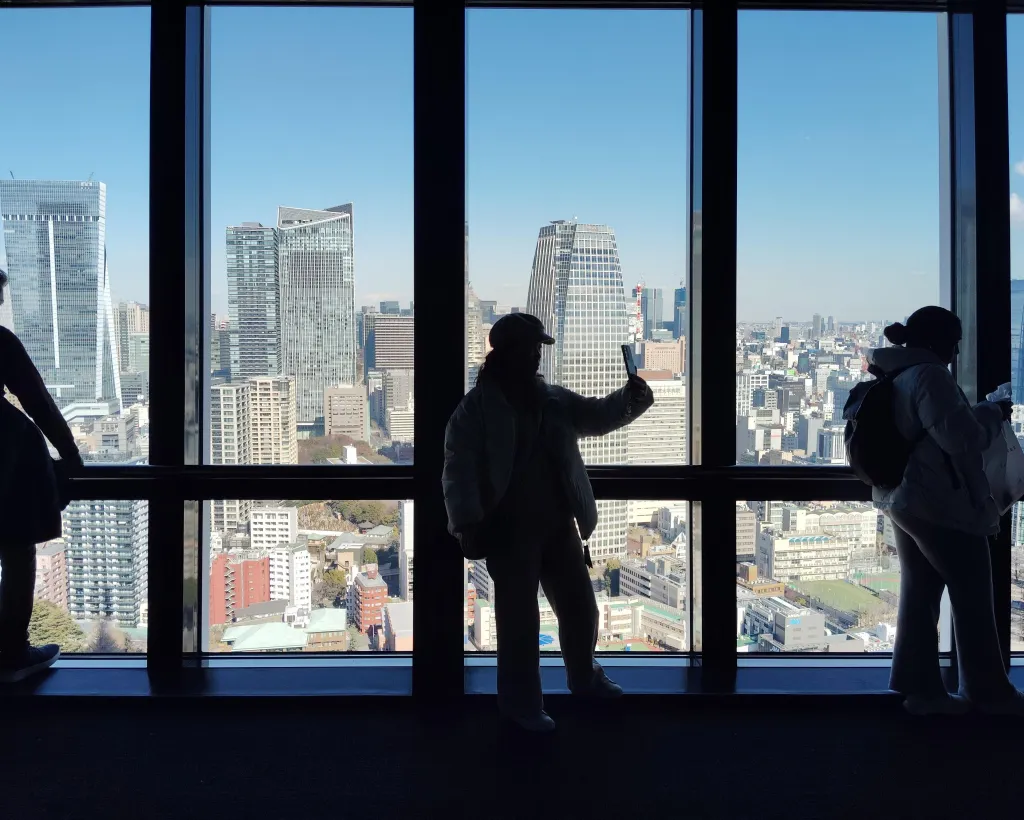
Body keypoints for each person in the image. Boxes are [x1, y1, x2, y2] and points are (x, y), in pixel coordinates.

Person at [442, 312, 654, 732]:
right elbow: (457, 470)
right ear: (508, 353)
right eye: (531, 348)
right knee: (519, 624)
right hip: (508, 530)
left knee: (580, 608)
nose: (537, 356)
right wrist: (467, 522)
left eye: (538, 348)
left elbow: (596, 415)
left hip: (558, 524)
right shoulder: (475, 411)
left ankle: (583, 678)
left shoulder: (550, 400)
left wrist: (631, 398)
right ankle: (522, 704)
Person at [868, 305, 1024, 715]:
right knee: (973, 593)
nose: (956, 353)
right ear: (940, 342)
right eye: (954, 343)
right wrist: (991, 412)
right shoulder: (930, 376)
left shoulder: (894, 373)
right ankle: (987, 691)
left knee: (919, 592)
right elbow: (960, 438)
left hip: (902, 498)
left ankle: (919, 689)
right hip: (936, 501)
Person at [0, 269, 83, 682]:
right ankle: (13, 653)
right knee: (18, 551)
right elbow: (38, 401)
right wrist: (70, 454)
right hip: (8, 458)